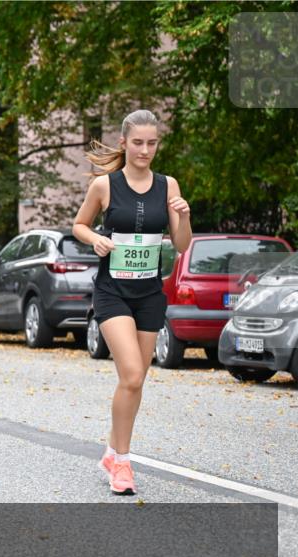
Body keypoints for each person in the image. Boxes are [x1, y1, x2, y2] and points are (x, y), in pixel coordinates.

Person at [72, 109, 192, 495]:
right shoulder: (105, 186)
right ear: (124, 143)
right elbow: (79, 225)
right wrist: (95, 240)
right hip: (113, 292)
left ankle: (112, 450)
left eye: (152, 143)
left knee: (135, 381)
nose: (145, 150)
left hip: (149, 294)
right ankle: (121, 462)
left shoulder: (168, 185)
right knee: (132, 374)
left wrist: (184, 216)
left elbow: (182, 244)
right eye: (137, 142)